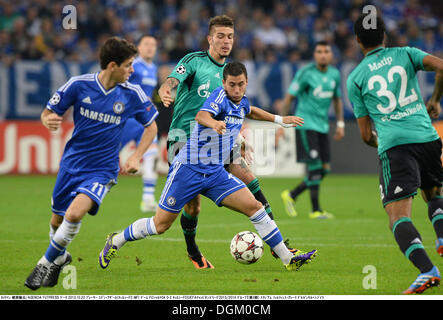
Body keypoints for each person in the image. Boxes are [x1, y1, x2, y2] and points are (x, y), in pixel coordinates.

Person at [99, 61, 318, 272]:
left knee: (255, 207)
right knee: (160, 225)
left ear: (247, 82)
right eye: (231, 84)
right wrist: (214, 123)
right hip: (188, 170)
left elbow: (250, 111)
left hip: (215, 174)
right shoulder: (219, 97)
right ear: (223, 83)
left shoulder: (241, 101)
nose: (236, 89)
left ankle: (288, 258)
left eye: (240, 84)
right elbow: (201, 115)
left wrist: (279, 120)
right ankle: (116, 240)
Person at [158, 15, 295, 269]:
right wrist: (167, 87)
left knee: (250, 179)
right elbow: (174, 77)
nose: (225, 41)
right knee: (193, 205)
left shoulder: (231, 72)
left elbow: (238, 108)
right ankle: (192, 250)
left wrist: (239, 135)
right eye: (220, 36)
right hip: (185, 139)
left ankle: (280, 247)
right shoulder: (194, 61)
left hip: (219, 139)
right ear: (210, 38)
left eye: (230, 36)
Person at [24, 37, 159, 291]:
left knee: (75, 214)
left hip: (102, 170)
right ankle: (61, 258)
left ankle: (44, 263)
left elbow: (151, 126)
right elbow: (48, 111)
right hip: (71, 165)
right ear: (112, 65)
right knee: (56, 221)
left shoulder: (132, 93)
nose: (133, 70)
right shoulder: (78, 85)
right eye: (129, 65)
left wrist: (136, 155)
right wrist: (47, 120)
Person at [347, 14, 443, 294]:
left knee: (397, 215)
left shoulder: (356, 78)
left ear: (357, 41)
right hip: (427, 136)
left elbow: (366, 135)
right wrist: (435, 99)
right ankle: (440, 238)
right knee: (434, 194)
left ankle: (427, 270)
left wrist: (386, 142)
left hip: (395, 145)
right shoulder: (407, 53)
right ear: (384, 36)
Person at [280, 41, 345, 219]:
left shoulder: (334, 74)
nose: (323, 54)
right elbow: (289, 97)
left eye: (326, 51)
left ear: (331, 55)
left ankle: (292, 195)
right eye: (319, 51)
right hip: (306, 125)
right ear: (314, 55)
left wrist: (340, 124)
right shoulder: (305, 73)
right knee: (315, 168)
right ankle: (315, 210)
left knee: (324, 169)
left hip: (323, 127)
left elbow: (337, 100)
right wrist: (281, 123)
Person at [120, 35, 159, 213]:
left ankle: (148, 198)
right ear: (139, 47)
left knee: (152, 156)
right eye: (146, 44)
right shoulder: (133, 66)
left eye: (153, 45)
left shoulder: (153, 69)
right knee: (108, 155)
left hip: (145, 121)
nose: (150, 47)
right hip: (128, 119)